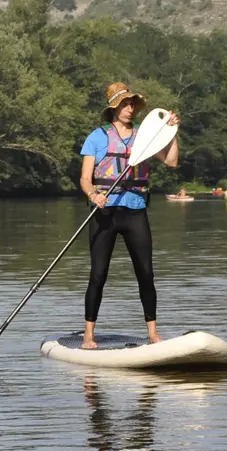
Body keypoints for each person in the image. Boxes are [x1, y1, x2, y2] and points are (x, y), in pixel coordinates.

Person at [78, 83, 177, 349]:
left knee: (146, 273)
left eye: (132, 104)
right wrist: (93, 195)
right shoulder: (97, 137)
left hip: (135, 210)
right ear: (114, 108)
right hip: (105, 211)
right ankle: (88, 336)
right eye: (124, 104)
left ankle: (153, 334)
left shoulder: (144, 137)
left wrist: (171, 132)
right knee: (98, 274)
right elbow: (85, 179)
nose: (130, 108)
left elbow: (171, 161)